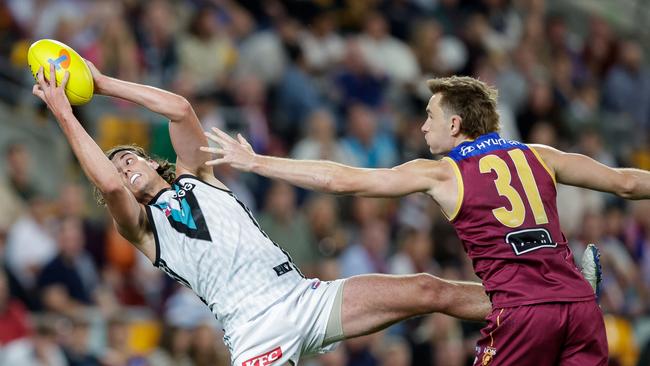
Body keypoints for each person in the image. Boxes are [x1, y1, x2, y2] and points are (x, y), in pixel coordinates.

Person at [32, 63, 492, 365]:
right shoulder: (141, 228)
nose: (123, 167)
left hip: (302, 296)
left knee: (429, 288)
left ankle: (530, 305)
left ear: (154, 161)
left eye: (129, 157)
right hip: (253, 330)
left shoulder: (200, 175)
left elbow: (180, 109)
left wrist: (102, 83)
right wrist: (64, 112)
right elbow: (108, 185)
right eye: (114, 164)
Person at [201, 76, 637, 365]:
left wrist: (257, 162)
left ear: (454, 122)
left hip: (521, 316)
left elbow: (338, 180)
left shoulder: (444, 172)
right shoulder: (542, 155)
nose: (423, 126)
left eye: (429, 116)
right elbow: (625, 184)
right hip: (581, 308)